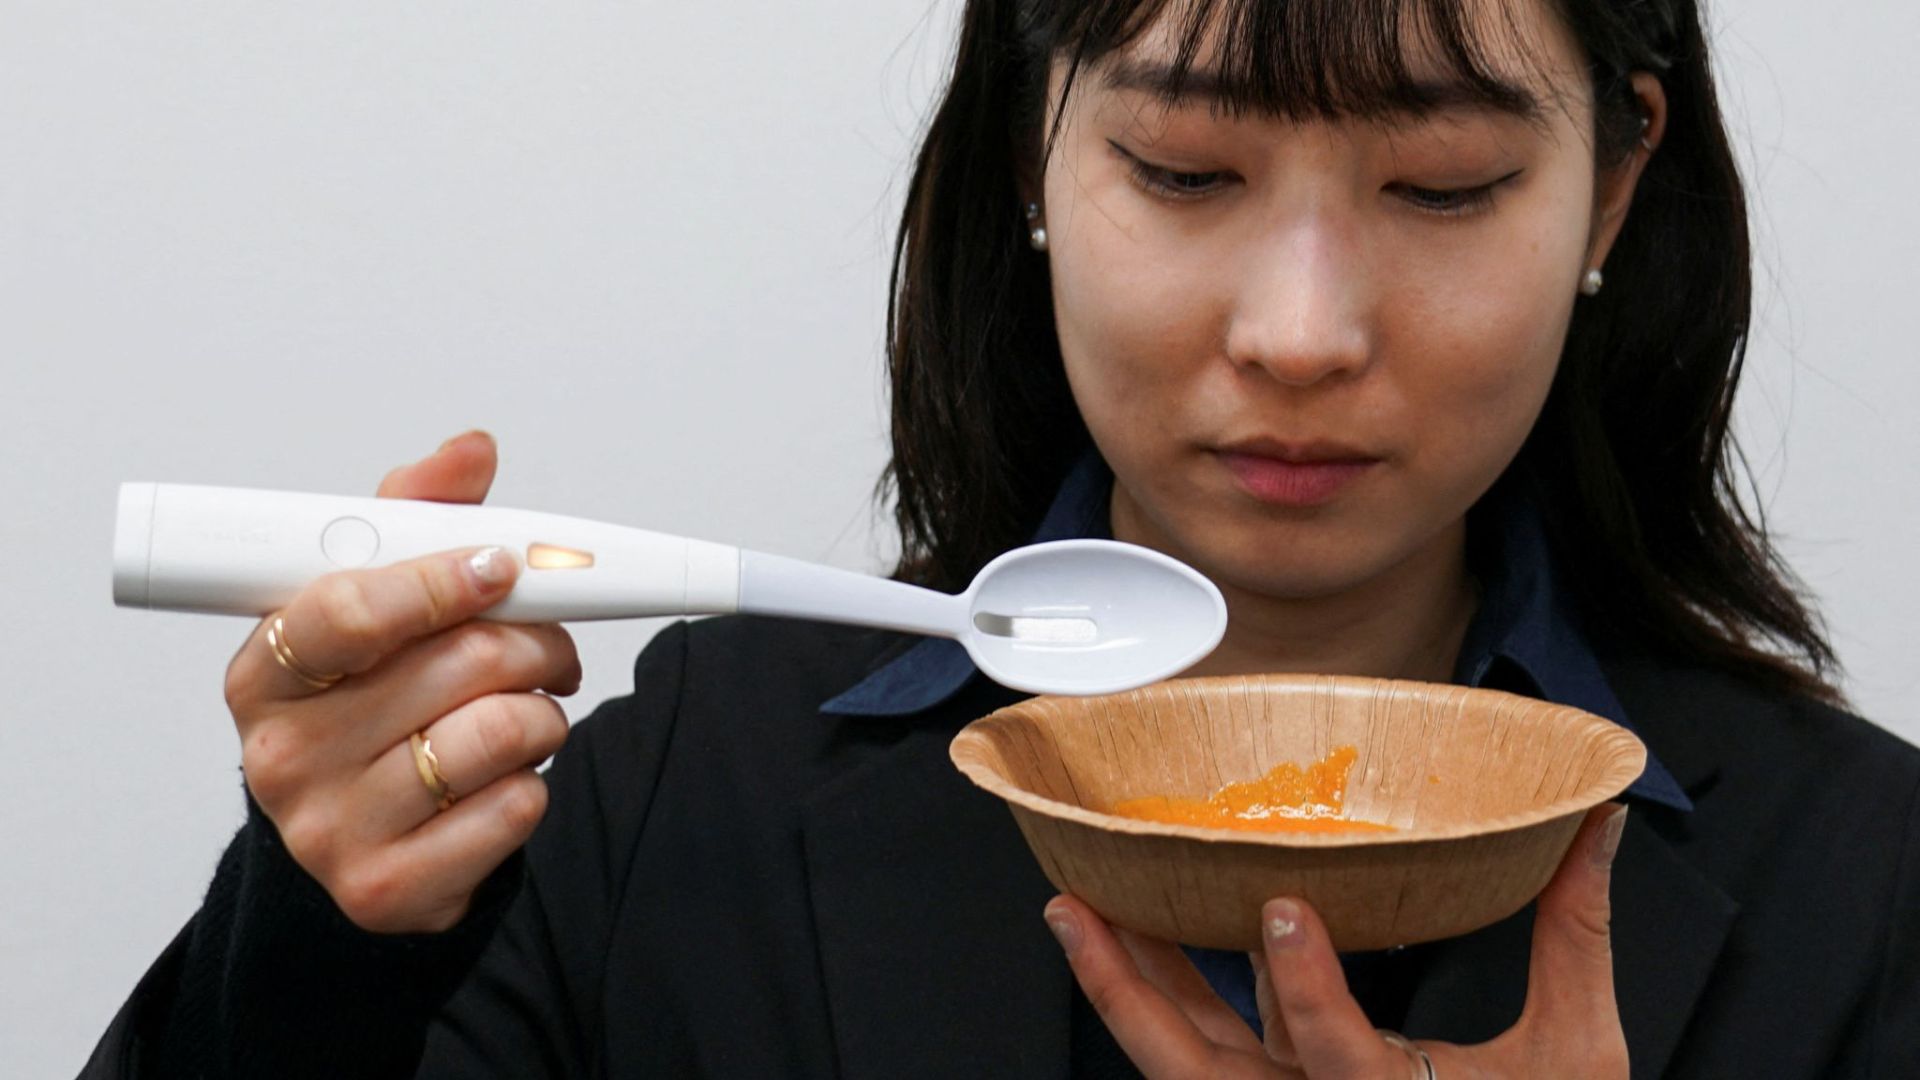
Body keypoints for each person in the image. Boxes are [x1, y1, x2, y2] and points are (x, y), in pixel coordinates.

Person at [84, 0, 1920, 1076]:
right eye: (1186, 171)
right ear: (1031, 156)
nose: (1300, 331)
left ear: (1612, 179)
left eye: (1445, 187)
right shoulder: (669, 808)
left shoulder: (1870, 890)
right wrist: (324, 929)